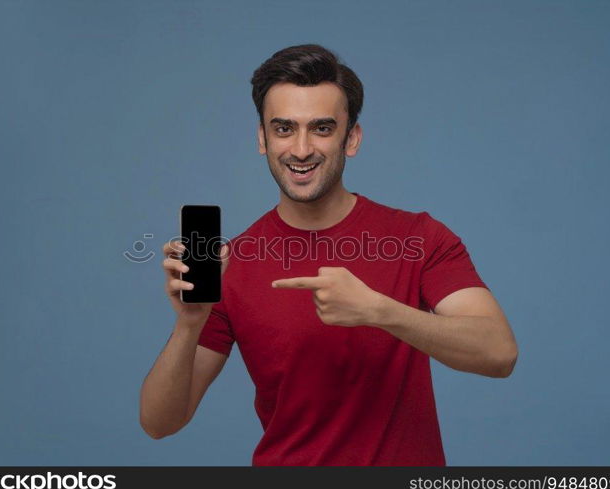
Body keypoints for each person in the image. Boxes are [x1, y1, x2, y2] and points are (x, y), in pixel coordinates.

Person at [140, 44, 518, 466]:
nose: (301, 150)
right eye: (284, 129)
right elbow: (160, 422)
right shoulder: (234, 263)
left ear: (351, 138)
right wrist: (189, 325)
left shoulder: (418, 237)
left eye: (321, 128)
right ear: (262, 139)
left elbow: (499, 353)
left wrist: (378, 310)